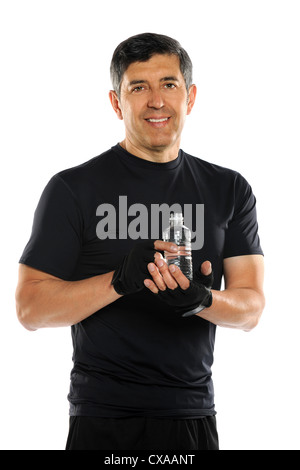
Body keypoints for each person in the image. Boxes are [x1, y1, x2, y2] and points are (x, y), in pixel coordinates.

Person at [15, 33, 265, 451]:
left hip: (192, 416)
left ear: (191, 96)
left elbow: (251, 308)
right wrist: (119, 281)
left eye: (169, 84)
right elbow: (29, 309)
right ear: (116, 102)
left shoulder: (229, 189)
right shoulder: (73, 189)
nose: (156, 101)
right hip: (102, 418)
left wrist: (201, 299)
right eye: (138, 87)